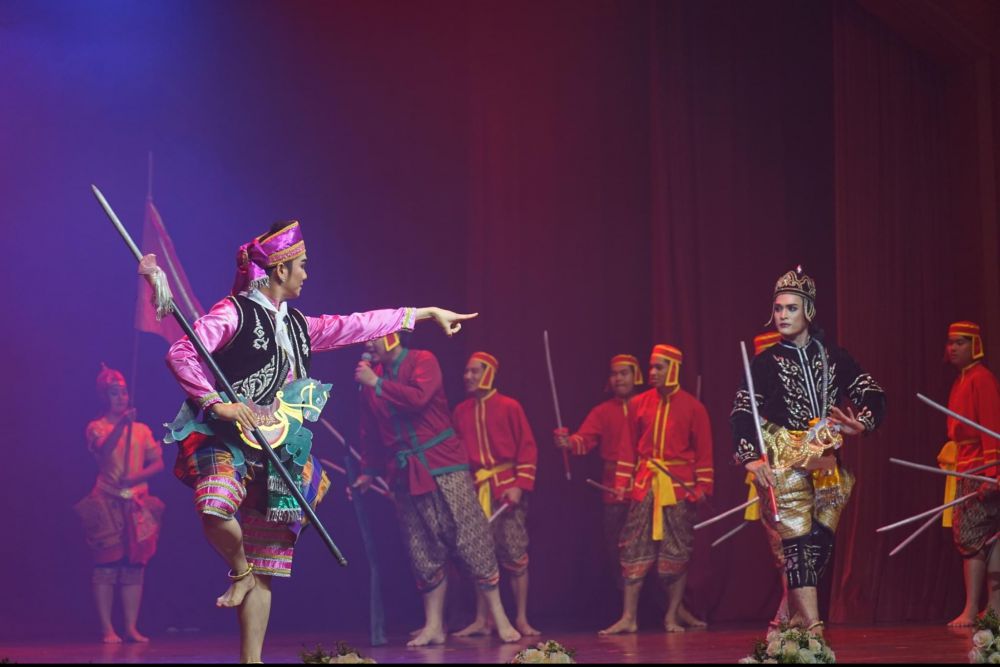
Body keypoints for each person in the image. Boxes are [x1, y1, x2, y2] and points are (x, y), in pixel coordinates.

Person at [165, 220, 476, 662]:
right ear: (280, 269)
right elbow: (181, 352)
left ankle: (252, 660)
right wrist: (218, 404)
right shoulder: (232, 314)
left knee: (266, 564)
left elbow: (356, 325)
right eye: (303, 266)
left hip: (279, 446)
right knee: (215, 507)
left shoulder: (298, 325)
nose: (307, 275)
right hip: (229, 437)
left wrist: (423, 313)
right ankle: (238, 570)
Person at [732, 266, 886, 637]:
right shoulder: (765, 363)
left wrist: (863, 422)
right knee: (797, 544)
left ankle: (788, 621)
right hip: (785, 462)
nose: (782, 315)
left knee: (818, 548)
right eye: (778, 308)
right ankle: (814, 630)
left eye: (791, 308)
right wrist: (751, 457)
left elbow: (872, 393)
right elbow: (742, 411)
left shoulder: (835, 357)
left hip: (827, 464)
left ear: (809, 312)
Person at [355, 335, 521, 646]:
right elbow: (371, 430)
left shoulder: (422, 360)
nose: (368, 345)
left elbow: (418, 398)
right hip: (403, 471)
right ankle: (433, 625)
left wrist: (377, 384)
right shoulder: (369, 378)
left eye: (374, 338)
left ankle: (500, 618)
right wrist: (369, 470)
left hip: (443, 463)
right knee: (422, 546)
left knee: (470, 537)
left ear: (391, 337)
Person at [600, 344, 713, 635]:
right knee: (633, 547)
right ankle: (629, 617)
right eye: (651, 367)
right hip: (645, 484)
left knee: (677, 550)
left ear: (673, 369)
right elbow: (628, 448)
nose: (652, 372)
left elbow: (704, 452)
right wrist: (622, 484)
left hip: (678, 488)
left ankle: (672, 616)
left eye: (658, 367)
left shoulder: (693, 407)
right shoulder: (639, 404)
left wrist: (702, 486)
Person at [451, 351, 540, 637]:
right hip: (477, 490)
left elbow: (527, 447)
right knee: (480, 555)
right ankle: (483, 619)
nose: (468, 376)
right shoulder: (461, 411)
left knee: (515, 554)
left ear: (488, 373)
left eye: (474, 371)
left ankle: (522, 618)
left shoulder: (510, 406)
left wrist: (519, 485)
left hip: (506, 488)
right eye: (466, 371)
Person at [75, 364, 165, 644]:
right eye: (114, 393)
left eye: (124, 392)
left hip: (136, 502)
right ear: (105, 396)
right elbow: (103, 450)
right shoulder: (97, 427)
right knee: (107, 566)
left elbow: (158, 463)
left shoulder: (141, 429)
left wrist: (136, 477)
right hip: (107, 501)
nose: (121, 397)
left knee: (134, 567)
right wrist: (122, 425)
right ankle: (107, 629)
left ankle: (131, 627)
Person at [554, 354, 641, 588]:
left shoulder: (648, 405)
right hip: (613, 489)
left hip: (645, 485)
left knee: (646, 548)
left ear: (636, 376)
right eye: (614, 374)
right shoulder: (603, 411)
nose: (618, 379)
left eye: (624, 373)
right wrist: (568, 442)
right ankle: (625, 601)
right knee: (616, 547)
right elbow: (585, 438)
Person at [938, 321, 1000, 627]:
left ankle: (977, 607)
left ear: (974, 345)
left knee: (978, 536)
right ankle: (984, 607)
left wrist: (993, 471)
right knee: (973, 537)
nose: (953, 348)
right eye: (950, 342)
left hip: (979, 469)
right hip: (963, 467)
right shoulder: (961, 380)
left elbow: (991, 427)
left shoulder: (981, 379)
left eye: (960, 342)